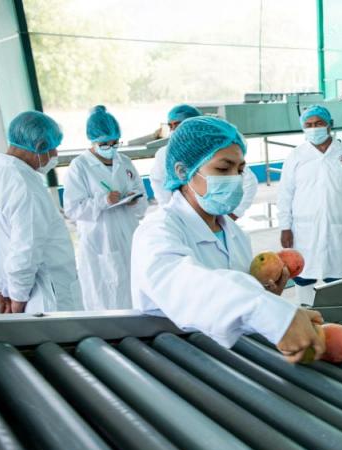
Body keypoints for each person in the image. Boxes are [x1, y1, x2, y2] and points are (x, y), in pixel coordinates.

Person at [131, 116, 324, 362]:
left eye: (240, 170)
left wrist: (265, 294)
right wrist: (265, 311)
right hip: (175, 361)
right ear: (183, 171)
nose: (235, 178)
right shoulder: (157, 231)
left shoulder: (234, 233)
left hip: (227, 362)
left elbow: (231, 305)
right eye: (223, 169)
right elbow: (185, 285)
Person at [0, 111, 82, 313]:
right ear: (39, 146)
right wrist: (18, 300)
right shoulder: (26, 187)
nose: (55, 156)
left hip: (13, 289)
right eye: (53, 149)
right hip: (44, 296)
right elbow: (25, 250)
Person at [277, 105, 342, 305]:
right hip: (303, 227)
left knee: (336, 274)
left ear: (329, 125)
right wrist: (285, 227)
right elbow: (285, 193)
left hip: (336, 224)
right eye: (308, 125)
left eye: (319, 123)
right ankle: (306, 311)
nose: (314, 128)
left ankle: (336, 317)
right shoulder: (297, 156)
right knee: (303, 273)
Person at [63, 105, 147, 310]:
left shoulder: (124, 162)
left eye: (114, 143)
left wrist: (135, 200)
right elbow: (72, 209)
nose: (110, 147)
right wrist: (103, 201)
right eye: (104, 144)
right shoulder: (80, 166)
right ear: (93, 140)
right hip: (100, 242)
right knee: (106, 296)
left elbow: (141, 195)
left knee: (135, 291)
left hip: (129, 234)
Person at [150, 104, 257, 217]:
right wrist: (168, 209)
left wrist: (235, 213)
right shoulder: (163, 230)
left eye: (179, 124)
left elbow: (249, 182)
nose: (174, 130)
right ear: (182, 172)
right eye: (171, 126)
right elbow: (158, 182)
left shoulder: (216, 149)